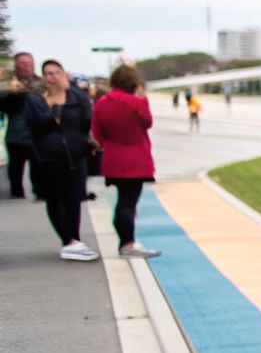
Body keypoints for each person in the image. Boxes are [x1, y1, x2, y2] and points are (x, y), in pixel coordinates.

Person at [24, 60, 98, 261]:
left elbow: (86, 122)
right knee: (55, 198)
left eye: (55, 72)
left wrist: (86, 143)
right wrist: (54, 116)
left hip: (76, 155)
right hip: (49, 157)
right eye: (47, 73)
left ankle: (74, 239)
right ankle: (68, 241)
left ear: (63, 74)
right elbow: (35, 126)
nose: (51, 77)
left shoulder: (77, 98)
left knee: (74, 198)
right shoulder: (37, 100)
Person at [92, 64, 161, 258]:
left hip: (112, 158)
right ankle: (127, 243)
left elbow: (98, 134)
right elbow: (147, 122)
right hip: (136, 160)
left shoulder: (102, 103)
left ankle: (125, 241)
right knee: (128, 204)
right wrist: (143, 99)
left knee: (123, 202)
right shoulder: (136, 103)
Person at [1, 51, 44, 200]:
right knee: (15, 166)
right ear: (16, 65)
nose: (26, 67)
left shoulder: (42, 83)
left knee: (38, 165)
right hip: (16, 133)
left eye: (29, 63)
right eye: (22, 64)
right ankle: (16, 192)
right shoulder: (7, 84)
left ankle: (40, 192)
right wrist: (13, 93)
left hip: (37, 133)